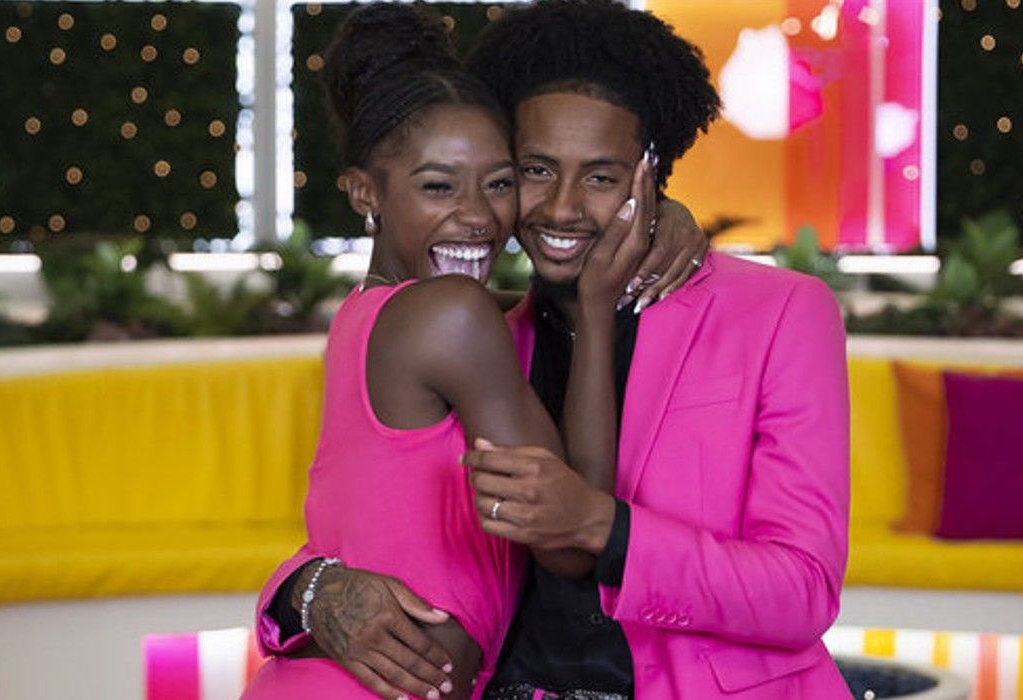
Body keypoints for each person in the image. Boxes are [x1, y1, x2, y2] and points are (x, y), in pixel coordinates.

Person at [259, 1, 853, 698]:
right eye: (535, 171)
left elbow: (803, 590)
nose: (563, 209)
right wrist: (307, 591)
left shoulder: (779, 314)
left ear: (650, 175)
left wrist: (605, 528)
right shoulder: (476, 334)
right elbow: (365, 516)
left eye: (601, 177)